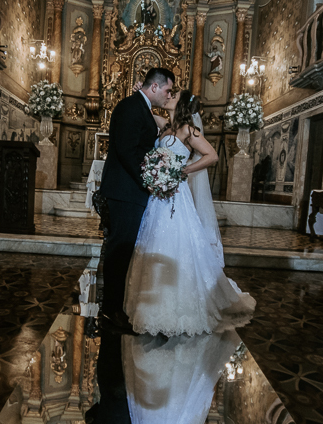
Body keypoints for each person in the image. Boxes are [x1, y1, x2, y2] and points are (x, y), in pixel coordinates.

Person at [123, 90, 255, 337]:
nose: (169, 96)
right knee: (155, 240)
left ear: (182, 103)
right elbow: (147, 111)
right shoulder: (165, 126)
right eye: (168, 93)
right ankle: (150, 305)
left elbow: (212, 156)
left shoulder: (188, 130)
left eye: (174, 95)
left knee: (178, 242)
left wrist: (182, 170)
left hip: (177, 195)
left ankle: (181, 306)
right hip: (158, 196)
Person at [98, 67, 176, 331]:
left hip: (129, 191)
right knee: (119, 250)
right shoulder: (131, 107)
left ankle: (115, 305)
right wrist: (150, 182)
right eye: (167, 90)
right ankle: (110, 309)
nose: (168, 96)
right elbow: (128, 150)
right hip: (125, 191)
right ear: (154, 87)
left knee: (124, 249)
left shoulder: (140, 108)